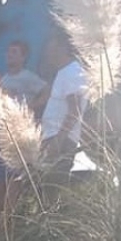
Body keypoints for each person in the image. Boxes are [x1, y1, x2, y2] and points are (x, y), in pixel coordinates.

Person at [40, 35, 89, 170]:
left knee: (49, 184)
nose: (47, 51)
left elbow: (75, 110)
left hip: (60, 142)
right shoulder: (64, 72)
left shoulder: (72, 71)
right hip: (54, 139)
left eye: (50, 46)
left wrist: (57, 141)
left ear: (61, 48)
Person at [0, 40, 48, 111]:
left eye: (14, 52)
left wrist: (31, 107)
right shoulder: (4, 79)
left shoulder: (28, 76)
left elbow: (47, 92)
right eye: (8, 51)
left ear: (23, 57)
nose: (9, 54)